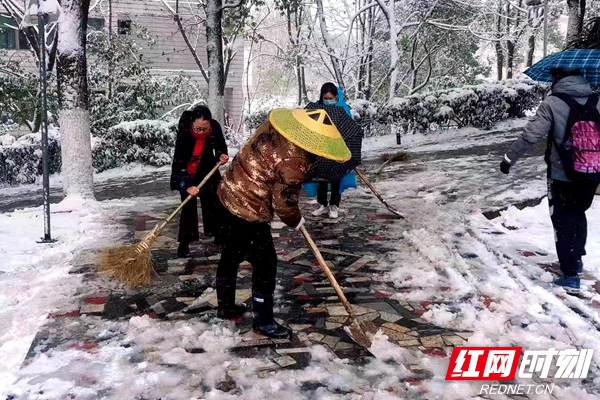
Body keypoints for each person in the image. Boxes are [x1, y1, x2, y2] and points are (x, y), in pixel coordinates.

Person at [216, 108, 351, 338]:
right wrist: (296, 220)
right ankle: (264, 320)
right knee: (265, 264)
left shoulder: (277, 127)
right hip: (250, 206)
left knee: (231, 253)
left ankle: (225, 305)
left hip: (228, 190)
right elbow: (284, 205)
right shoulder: (294, 161)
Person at [500, 69, 600, 292]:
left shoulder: (553, 103)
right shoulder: (597, 100)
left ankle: (570, 275)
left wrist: (509, 159)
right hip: (592, 173)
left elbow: (531, 135)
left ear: (558, 79)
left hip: (562, 175)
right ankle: (577, 260)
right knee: (578, 214)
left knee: (562, 221)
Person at [170, 105, 229, 258]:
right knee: (188, 206)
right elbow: (179, 162)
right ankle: (184, 243)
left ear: (210, 123)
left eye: (205, 128)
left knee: (216, 200)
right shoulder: (185, 131)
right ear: (192, 124)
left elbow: (221, 148)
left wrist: (221, 156)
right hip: (187, 171)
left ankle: (219, 236)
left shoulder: (214, 127)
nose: (202, 131)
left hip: (207, 169)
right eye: (198, 129)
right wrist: (187, 186)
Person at [311, 82, 353, 219]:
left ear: (336, 97)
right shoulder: (317, 109)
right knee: (321, 178)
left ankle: (334, 205)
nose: (328, 101)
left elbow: (348, 129)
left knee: (335, 178)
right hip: (321, 149)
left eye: (331, 98)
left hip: (337, 148)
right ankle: (323, 204)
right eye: (326, 98)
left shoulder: (342, 110)